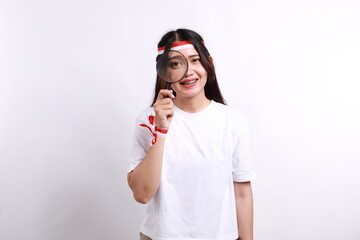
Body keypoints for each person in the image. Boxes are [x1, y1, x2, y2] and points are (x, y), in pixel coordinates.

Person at [127, 28, 257, 240]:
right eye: (176, 64)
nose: (188, 71)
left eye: (195, 60)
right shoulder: (148, 119)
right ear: (164, 72)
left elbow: (242, 193)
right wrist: (160, 129)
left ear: (208, 63)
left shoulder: (232, 121)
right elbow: (142, 194)